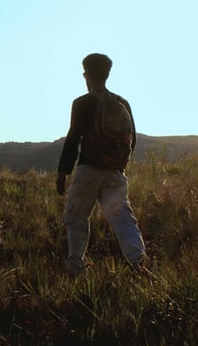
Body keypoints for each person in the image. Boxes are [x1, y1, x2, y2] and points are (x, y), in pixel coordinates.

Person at [56, 53, 146, 274]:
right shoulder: (121, 102)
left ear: (85, 74)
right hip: (115, 171)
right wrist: (118, 163)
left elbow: (73, 138)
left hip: (88, 169)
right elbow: (132, 139)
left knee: (76, 217)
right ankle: (138, 264)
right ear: (108, 74)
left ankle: (76, 266)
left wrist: (63, 171)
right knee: (123, 218)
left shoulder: (82, 103)